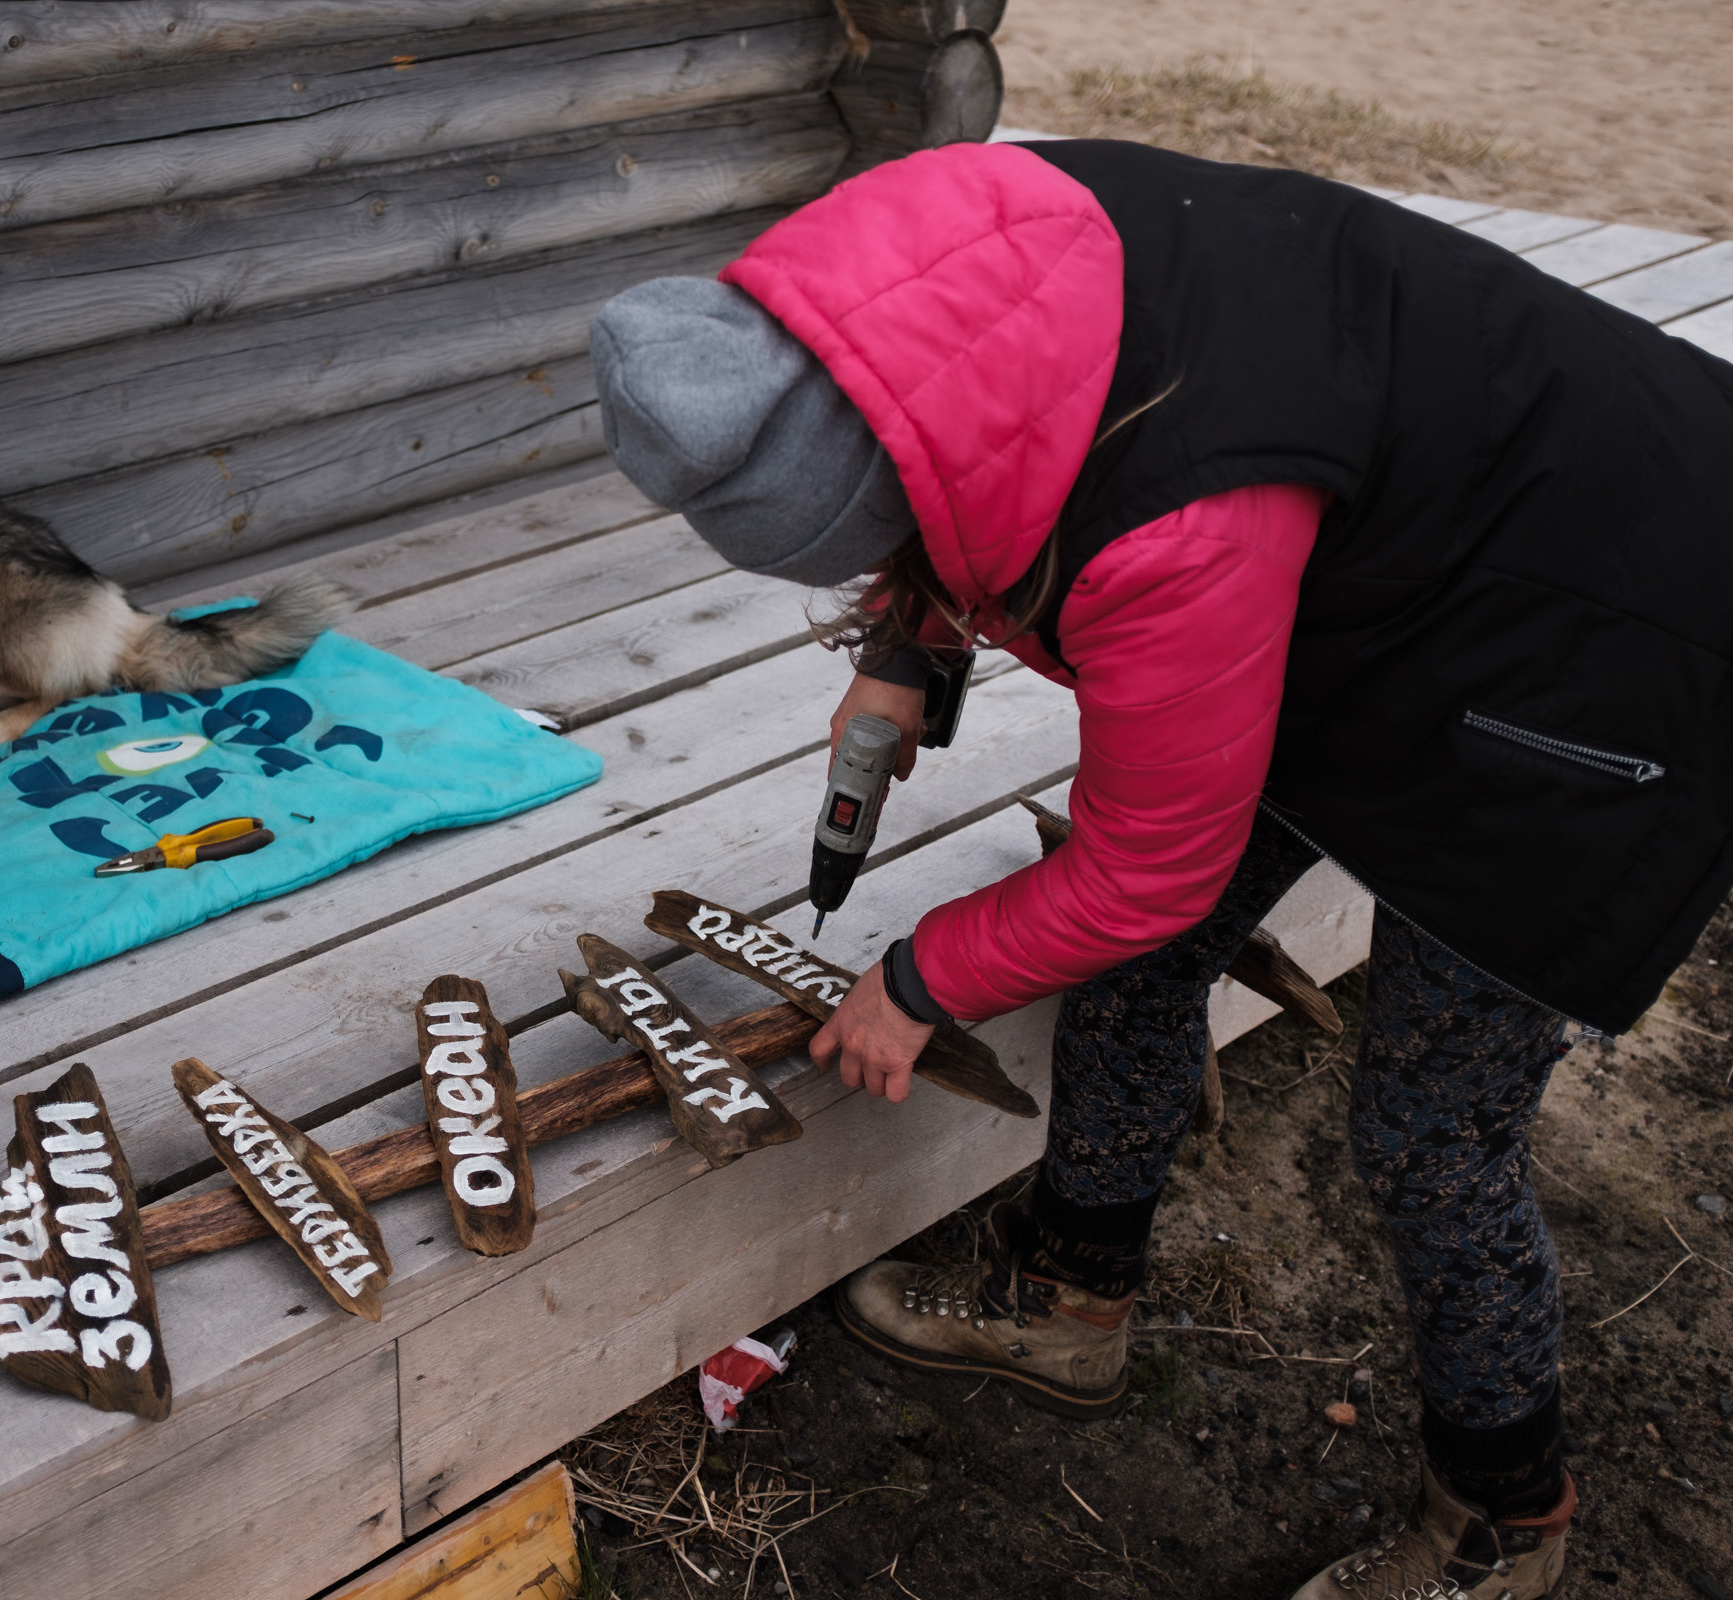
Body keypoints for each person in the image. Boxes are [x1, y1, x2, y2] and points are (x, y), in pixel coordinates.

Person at [587, 137, 1733, 1600]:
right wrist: (902, 650)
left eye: (869, 552)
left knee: (1430, 1133)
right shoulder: (928, 259)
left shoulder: (1175, 525)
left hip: (1613, 643)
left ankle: (1502, 1520)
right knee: (1124, 959)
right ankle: (1069, 1297)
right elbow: (957, 433)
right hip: (1381, 567)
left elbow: (1154, 865)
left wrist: (917, 976)